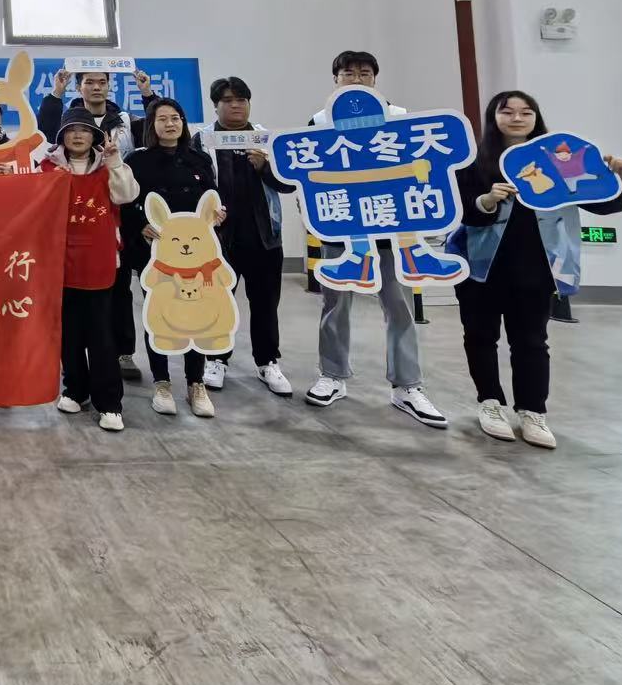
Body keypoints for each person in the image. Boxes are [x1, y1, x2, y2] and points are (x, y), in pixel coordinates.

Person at [451, 91, 622, 449]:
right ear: (493, 118)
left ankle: (532, 411)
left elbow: (602, 202)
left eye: (526, 112)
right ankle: (490, 402)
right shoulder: (474, 163)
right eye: (507, 112)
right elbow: (461, 211)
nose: (517, 118)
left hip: (539, 265)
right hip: (480, 265)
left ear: (536, 118)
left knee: (531, 341)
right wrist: (487, 200)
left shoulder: (558, 161)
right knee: (480, 336)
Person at [303, 51, 449, 429]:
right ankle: (332, 375)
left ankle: (407, 386)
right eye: (347, 74)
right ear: (335, 80)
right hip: (342, 231)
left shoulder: (400, 117)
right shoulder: (319, 122)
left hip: (392, 233)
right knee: (335, 305)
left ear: (375, 79)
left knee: (400, 308)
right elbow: (308, 176)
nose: (356, 80)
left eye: (364, 74)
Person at [38, 69, 145, 381]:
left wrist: (114, 162)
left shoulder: (122, 128)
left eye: (84, 131)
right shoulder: (48, 167)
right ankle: (74, 382)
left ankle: (114, 376)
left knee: (109, 312)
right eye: (71, 130)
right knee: (69, 319)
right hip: (63, 254)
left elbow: (127, 194)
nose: (77, 135)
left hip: (106, 249)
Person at [123, 99, 224, 418]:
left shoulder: (199, 158)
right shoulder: (137, 160)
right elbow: (126, 203)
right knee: (159, 314)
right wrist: (139, 224)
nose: (170, 124)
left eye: (176, 118)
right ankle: (162, 382)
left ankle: (196, 383)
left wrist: (218, 213)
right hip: (155, 253)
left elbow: (213, 197)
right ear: (151, 125)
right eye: (162, 119)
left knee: (195, 314)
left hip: (195, 254)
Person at [208, 76, 296, 397]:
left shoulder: (267, 140)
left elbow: (289, 184)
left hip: (264, 238)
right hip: (218, 240)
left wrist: (265, 168)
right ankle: (216, 359)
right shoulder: (203, 141)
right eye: (228, 100)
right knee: (218, 303)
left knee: (265, 304)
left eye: (241, 100)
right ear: (215, 105)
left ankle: (267, 361)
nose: (236, 106)